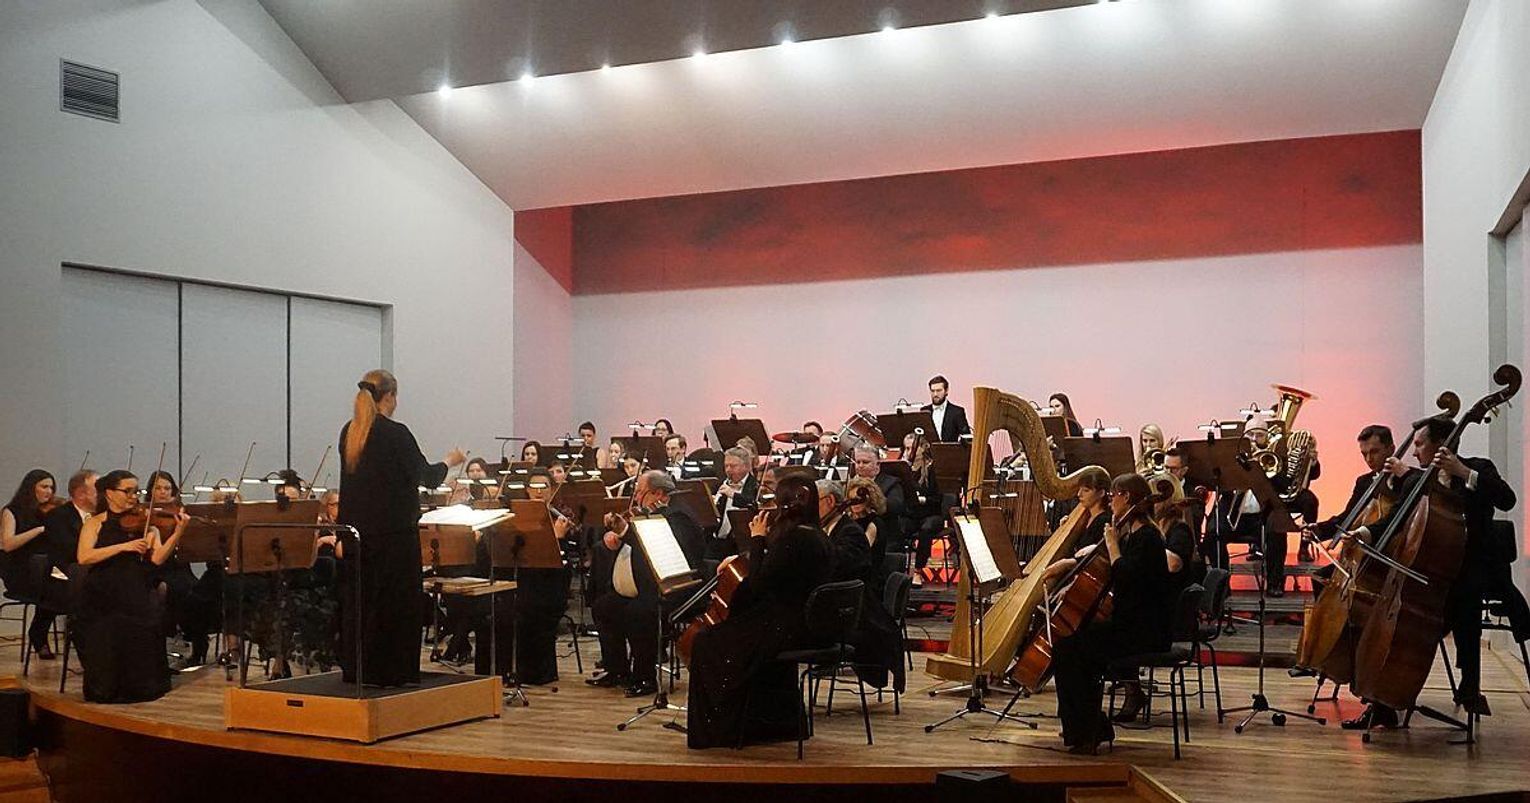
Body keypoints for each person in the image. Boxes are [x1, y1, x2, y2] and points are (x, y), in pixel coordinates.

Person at [1340, 417, 1514, 728]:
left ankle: (1470, 687)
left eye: (1420, 444)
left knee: (1465, 602)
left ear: (1441, 445)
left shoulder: (1478, 467)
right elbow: (1395, 518)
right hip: (1429, 575)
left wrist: (1462, 471)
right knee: (1392, 623)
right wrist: (1364, 533)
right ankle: (1383, 704)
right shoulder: (1421, 482)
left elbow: (1507, 499)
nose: (1415, 450)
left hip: (1470, 571)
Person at [336, 369, 465, 686]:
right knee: (396, 606)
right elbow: (427, 477)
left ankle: (359, 669)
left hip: (357, 537)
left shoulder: (350, 432)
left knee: (363, 605)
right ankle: (392, 672)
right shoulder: (396, 433)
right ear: (390, 396)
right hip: (393, 537)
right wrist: (451, 461)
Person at [687, 474, 834, 749]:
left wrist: (757, 539)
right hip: (802, 622)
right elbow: (779, 572)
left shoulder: (795, 539)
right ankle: (763, 724)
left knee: (706, 641)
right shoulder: (815, 535)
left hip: (784, 627)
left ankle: (724, 728)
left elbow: (757, 584)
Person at [1050, 473, 1173, 754]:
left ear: (1126, 497)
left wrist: (1113, 546)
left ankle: (1088, 730)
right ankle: (1089, 728)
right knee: (1070, 647)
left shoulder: (1149, 538)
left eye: (1114, 495)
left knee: (1069, 650)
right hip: (1129, 625)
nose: (1111, 501)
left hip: (1145, 631)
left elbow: (1126, 577)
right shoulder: (1133, 534)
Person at [75, 470, 188, 703]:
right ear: (109, 493)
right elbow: (84, 556)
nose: (133, 496)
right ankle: (105, 688)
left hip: (135, 586)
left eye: (136, 491)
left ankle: (141, 687)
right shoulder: (95, 523)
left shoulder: (146, 524)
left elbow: (157, 559)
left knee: (141, 624)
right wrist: (124, 547)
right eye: (127, 491)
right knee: (106, 628)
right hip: (102, 591)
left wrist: (178, 532)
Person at [588, 470, 704, 697]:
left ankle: (645, 677)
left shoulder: (678, 516)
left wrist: (625, 531)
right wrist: (616, 535)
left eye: (641, 492)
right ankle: (616, 669)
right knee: (604, 607)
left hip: (676, 587)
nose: (637, 498)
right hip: (648, 586)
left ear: (658, 493)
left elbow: (658, 549)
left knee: (638, 613)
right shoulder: (651, 513)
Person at [39, 470, 99, 659]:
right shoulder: (58, 516)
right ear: (81, 493)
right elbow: (66, 552)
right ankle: (90, 655)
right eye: (97, 489)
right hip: (64, 573)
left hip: (94, 573)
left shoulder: (103, 516)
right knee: (90, 596)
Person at [2, 470, 59, 658]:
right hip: (20, 571)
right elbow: (8, 544)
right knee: (52, 589)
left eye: (51, 488)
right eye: (44, 487)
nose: (49, 492)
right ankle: (38, 634)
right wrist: (39, 530)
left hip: (46, 570)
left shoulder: (52, 512)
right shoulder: (11, 511)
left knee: (66, 584)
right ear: (30, 488)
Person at [710, 447, 759, 559]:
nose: (728, 470)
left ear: (746, 466)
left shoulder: (755, 486)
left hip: (740, 544)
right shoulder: (720, 485)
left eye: (733, 466)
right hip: (719, 541)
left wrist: (734, 495)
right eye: (726, 466)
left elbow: (753, 505)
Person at [922, 375, 971, 443]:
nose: (935, 394)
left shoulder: (957, 412)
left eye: (938, 391)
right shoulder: (924, 411)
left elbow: (967, 437)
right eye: (932, 391)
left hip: (950, 449)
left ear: (946, 391)